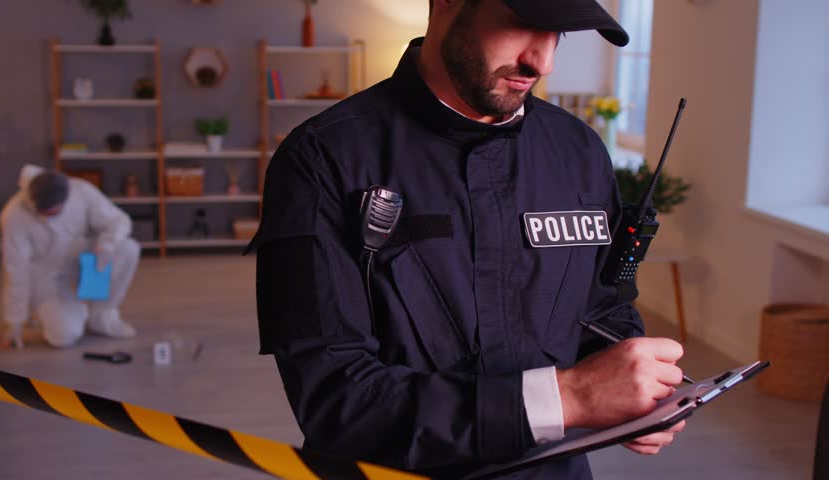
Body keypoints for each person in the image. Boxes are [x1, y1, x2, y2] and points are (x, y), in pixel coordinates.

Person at [251, 0, 686, 477]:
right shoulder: (321, 160)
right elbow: (336, 403)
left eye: (559, 34)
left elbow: (602, 310)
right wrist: (568, 398)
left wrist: (638, 385)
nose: (542, 63)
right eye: (525, 24)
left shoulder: (579, 151)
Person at [0, 164, 140, 349]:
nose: (52, 217)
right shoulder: (14, 216)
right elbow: (16, 270)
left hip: (80, 257)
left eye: (57, 211)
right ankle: (49, 312)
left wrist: (106, 246)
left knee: (128, 248)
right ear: (33, 203)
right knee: (64, 335)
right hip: (45, 275)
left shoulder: (81, 190)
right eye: (46, 214)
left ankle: (101, 315)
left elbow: (118, 220)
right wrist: (14, 322)